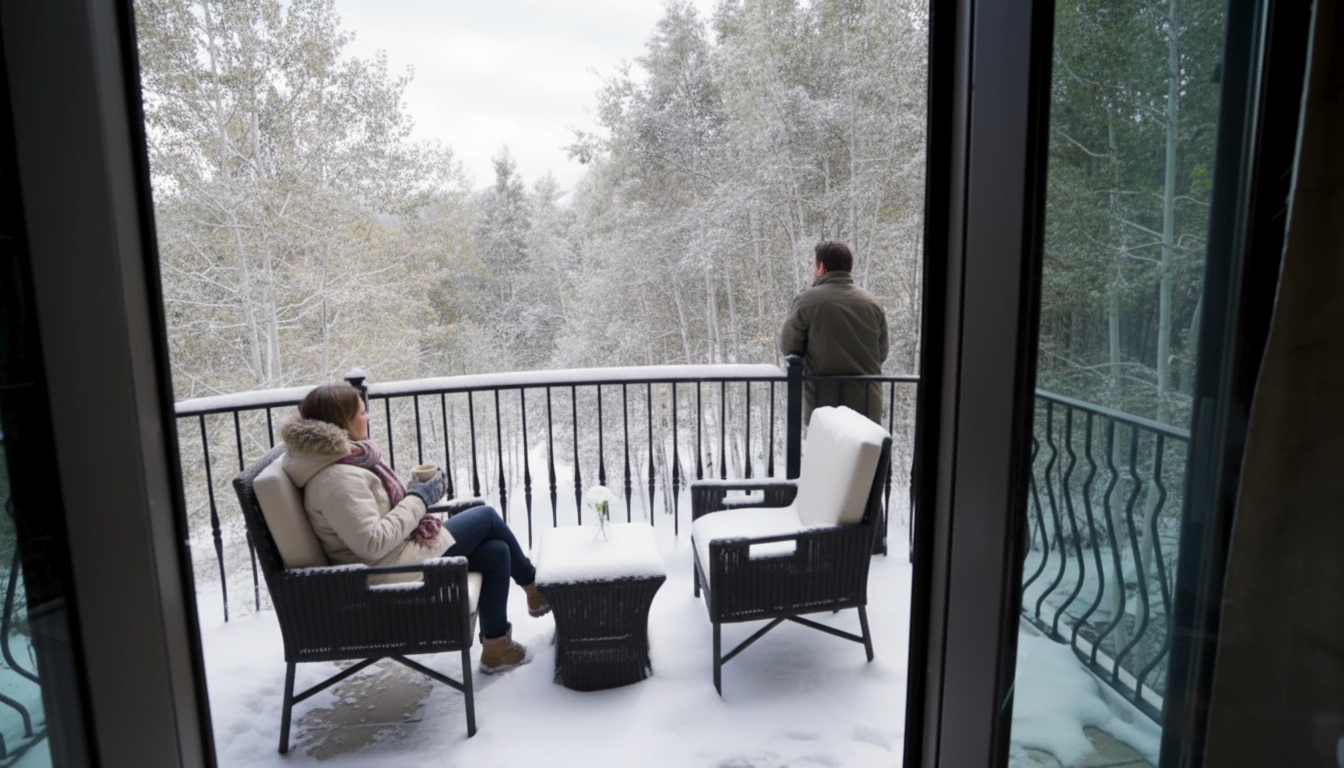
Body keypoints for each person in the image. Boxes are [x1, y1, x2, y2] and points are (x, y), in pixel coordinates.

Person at [279, 384, 549, 675]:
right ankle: (535, 587)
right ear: (341, 422)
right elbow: (371, 543)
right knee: (486, 517)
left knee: (496, 552)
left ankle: (497, 650)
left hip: (391, 557)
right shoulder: (336, 479)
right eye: (362, 412)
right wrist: (419, 497)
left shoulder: (342, 463)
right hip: (382, 572)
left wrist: (413, 494)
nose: (367, 418)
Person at [779, 240, 889, 424]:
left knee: (827, 453)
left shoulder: (807, 301)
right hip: (868, 403)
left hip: (825, 404)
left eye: (813, 265)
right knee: (865, 453)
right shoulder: (872, 303)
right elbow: (882, 352)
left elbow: (789, 346)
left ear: (821, 267)